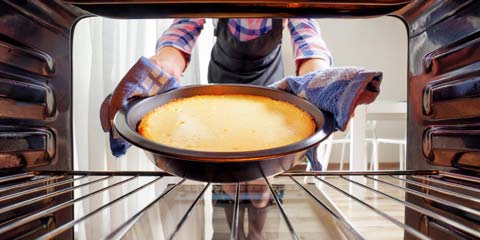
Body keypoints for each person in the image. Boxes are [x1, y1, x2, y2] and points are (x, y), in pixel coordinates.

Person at [150, 18, 332, 85]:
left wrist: (318, 77)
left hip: (268, 78)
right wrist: (167, 60)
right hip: (222, 75)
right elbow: (186, 22)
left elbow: (307, 35)